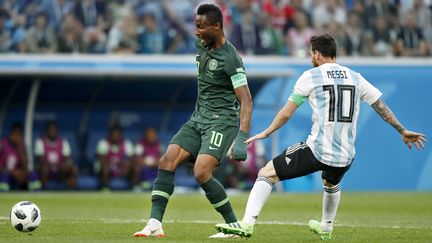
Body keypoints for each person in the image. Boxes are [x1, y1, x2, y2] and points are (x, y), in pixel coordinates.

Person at [215, 34, 427, 240]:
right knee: (330, 182)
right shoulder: (355, 77)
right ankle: (326, 227)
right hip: (346, 155)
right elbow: (380, 105)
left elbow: (287, 112)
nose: (310, 58)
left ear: (317, 54)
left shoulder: (311, 76)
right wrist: (402, 130)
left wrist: (267, 132)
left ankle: (247, 223)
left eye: (310, 54)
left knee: (266, 173)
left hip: (317, 151)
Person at [133, 3, 253, 239]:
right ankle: (154, 223)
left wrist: (242, 138)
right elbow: (184, 27)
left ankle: (234, 226)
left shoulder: (231, 58)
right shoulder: (201, 42)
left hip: (222, 121)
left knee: (201, 172)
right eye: (195, 26)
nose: (196, 32)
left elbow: (246, 100)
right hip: (198, 119)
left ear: (217, 27)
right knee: (166, 161)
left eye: (201, 27)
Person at [35, 121, 78, 189]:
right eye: (50, 130)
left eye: (54, 130)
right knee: (44, 168)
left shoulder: (63, 142)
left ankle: (72, 190)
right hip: (47, 168)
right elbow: (40, 159)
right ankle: (43, 189)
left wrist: (62, 166)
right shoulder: (40, 141)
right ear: (47, 130)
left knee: (73, 169)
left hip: (60, 168)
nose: (52, 132)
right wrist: (51, 165)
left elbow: (67, 158)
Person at [0, 123, 40, 191]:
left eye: (19, 134)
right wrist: (12, 172)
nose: (17, 137)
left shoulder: (21, 146)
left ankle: (37, 193)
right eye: (15, 134)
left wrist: (19, 148)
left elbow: (25, 165)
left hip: (17, 174)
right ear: (10, 134)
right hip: (5, 173)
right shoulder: (2, 144)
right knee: (4, 176)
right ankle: (3, 194)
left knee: (33, 174)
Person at [96, 124, 134, 190]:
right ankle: (105, 187)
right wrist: (112, 164)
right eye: (114, 134)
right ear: (110, 134)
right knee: (105, 168)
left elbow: (130, 158)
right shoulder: (103, 143)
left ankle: (133, 187)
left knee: (132, 166)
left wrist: (123, 164)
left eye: (117, 134)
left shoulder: (127, 143)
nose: (115, 136)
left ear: (121, 134)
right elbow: (101, 158)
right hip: (108, 168)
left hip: (122, 168)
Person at [132, 127, 164, 191]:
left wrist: (154, 163)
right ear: (146, 135)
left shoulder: (159, 145)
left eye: (153, 134)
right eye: (149, 134)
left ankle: (164, 186)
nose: (151, 136)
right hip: (144, 167)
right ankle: (136, 186)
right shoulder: (140, 144)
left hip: (155, 167)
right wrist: (147, 162)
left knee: (166, 167)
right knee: (136, 167)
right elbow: (137, 159)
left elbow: (162, 159)